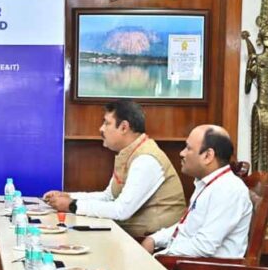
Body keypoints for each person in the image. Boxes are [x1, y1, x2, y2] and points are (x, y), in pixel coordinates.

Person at [44, 100, 185, 238]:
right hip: (132, 236)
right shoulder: (129, 152)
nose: (101, 129)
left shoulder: (146, 159)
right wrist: (68, 197)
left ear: (124, 127)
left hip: (150, 242)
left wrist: (72, 205)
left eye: (106, 123)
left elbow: (121, 210)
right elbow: (109, 197)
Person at [142, 125, 252, 270]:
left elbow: (204, 246)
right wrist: (154, 239)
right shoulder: (209, 184)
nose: (182, 153)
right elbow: (186, 228)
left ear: (208, 156)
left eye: (188, 148)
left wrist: (161, 256)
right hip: (189, 266)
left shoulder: (228, 189)